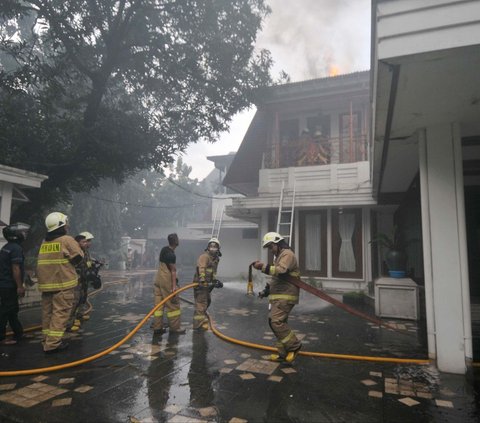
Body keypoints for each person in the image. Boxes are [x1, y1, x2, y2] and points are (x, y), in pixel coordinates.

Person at [36, 212, 83, 353]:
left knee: (47, 314)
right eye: (66, 223)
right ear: (61, 225)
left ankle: (46, 340)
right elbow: (78, 258)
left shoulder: (45, 242)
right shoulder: (66, 240)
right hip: (63, 284)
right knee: (60, 314)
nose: (68, 225)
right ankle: (53, 344)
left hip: (46, 285)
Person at [252, 232, 302, 363]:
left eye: (271, 246)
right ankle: (283, 353)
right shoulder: (280, 256)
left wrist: (262, 267)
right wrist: (267, 290)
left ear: (278, 244)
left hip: (286, 295)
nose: (270, 250)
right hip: (279, 295)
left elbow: (281, 271)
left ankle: (294, 346)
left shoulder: (287, 254)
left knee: (276, 322)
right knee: (276, 323)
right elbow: (277, 278)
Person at [0, 222, 30, 345]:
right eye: (22, 232)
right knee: (6, 311)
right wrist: (19, 286)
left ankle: (18, 334)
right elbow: (15, 268)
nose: (24, 234)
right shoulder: (16, 248)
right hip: (9, 285)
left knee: (12, 310)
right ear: (16, 235)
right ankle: (1, 338)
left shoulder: (6, 247)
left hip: (4, 284)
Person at [152, 233, 185, 335]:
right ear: (176, 242)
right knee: (173, 304)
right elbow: (173, 271)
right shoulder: (171, 255)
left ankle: (157, 327)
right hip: (167, 281)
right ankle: (175, 328)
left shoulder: (164, 249)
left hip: (158, 279)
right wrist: (174, 287)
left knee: (159, 305)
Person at [192, 237, 223, 330]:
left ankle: (199, 320)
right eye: (211, 246)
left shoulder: (215, 259)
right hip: (201, 284)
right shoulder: (205, 256)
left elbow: (212, 272)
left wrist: (214, 282)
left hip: (207, 285)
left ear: (218, 248)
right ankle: (198, 325)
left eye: (215, 246)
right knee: (201, 304)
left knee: (207, 302)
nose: (213, 248)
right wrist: (202, 280)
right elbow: (201, 268)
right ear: (208, 247)